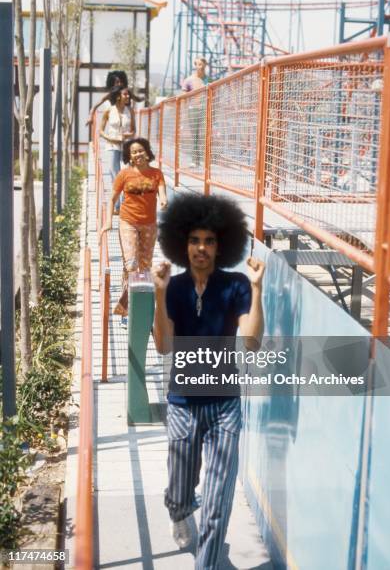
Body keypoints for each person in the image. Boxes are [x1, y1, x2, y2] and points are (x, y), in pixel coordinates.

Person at [151, 194, 265, 569]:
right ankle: (180, 511)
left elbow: (251, 340)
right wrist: (160, 292)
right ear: (183, 244)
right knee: (179, 493)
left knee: (217, 503)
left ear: (221, 246)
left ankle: (209, 563)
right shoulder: (176, 288)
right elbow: (164, 345)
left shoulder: (236, 285)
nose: (202, 248)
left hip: (224, 407)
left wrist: (258, 288)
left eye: (210, 241)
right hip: (183, 403)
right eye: (195, 240)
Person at [101, 137, 167, 326]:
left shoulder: (156, 174)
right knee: (131, 265)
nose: (138, 154)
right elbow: (112, 199)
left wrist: (163, 200)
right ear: (129, 156)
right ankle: (126, 311)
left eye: (140, 150)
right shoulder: (124, 174)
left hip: (149, 224)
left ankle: (141, 310)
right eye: (134, 152)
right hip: (128, 222)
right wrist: (108, 221)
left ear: (147, 151)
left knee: (144, 268)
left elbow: (162, 190)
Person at [100, 86, 135, 213]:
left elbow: (133, 130)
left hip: (126, 146)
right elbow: (100, 131)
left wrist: (127, 135)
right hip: (111, 146)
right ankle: (117, 206)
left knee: (126, 175)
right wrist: (110, 138)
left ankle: (125, 205)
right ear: (119, 96)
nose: (128, 97)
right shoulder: (109, 110)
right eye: (125, 94)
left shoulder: (130, 111)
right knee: (115, 176)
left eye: (128, 95)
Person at [182, 57, 210, 167]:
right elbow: (183, 97)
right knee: (195, 136)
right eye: (198, 64)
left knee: (203, 135)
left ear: (205, 65)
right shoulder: (189, 80)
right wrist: (184, 113)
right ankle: (194, 160)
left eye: (202, 64)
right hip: (193, 110)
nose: (201, 67)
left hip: (205, 110)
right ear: (195, 66)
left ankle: (202, 159)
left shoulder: (209, 80)